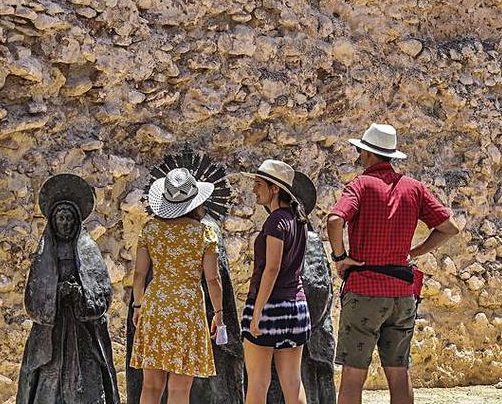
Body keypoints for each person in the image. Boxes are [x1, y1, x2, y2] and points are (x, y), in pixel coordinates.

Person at [327, 123, 462, 404]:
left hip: (364, 289)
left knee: (353, 375)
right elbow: (449, 227)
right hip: (402, 293)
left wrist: (340, 258)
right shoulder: (414, 188)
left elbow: (335, 219)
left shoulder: (360, 185)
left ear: (367, 154)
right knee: (399, 374)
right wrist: (418, 250)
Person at [17, 174, 120, 404]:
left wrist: (80, 296)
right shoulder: (44, 255)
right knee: (49, 384)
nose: (65, 223)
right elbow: (34, 298)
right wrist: (56, 294)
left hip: (83, 329)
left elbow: (101, 293)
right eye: (60, 219)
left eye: (69, 219)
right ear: (53, 221)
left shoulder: (88, 250)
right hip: (52, 331)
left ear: (76, 221)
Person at [130, 168, 224, 404]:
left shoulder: (150, 230)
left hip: (155, 306)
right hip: (187, 309)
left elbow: (140, 274)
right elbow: (213, 279)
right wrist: (219, 314)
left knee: (150, 386)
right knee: (180, 390)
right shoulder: (204, 233)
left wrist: (138, 306)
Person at [241, 160, 313, 404]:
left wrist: (257, 311)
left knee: (258, 381)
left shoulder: (275, 221)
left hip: (270, 307)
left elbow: (271, 268)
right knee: (293, 382)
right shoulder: (298, 220)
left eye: (259, 184)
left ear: (275, 189)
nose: (254, 189)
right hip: (297, 307)